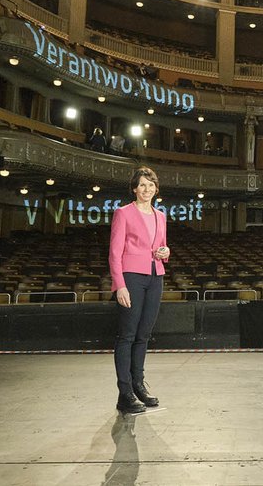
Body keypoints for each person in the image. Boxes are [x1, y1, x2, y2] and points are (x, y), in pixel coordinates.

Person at [109, 166, 170, 415]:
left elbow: (162, 247)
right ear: (135, 188)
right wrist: (120, 285)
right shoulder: (123, 213)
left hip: (156, 276)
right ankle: (125, 392)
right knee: (127, 335)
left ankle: (138, 386)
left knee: (144, 335)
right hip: (131, 277)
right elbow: (114, 253)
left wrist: (166, 252)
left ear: (156, 189)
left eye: (151, 185)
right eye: (142, 185)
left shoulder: (160, 216)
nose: (147, 189)